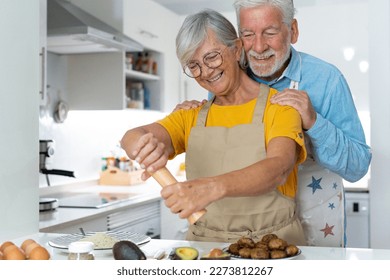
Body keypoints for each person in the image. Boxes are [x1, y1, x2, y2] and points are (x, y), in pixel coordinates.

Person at [174, 0, 372, 247]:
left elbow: (358, 167)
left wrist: (314, 122)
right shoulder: (225, 77)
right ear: (238, 40)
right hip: (257, 229)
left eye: (270, 32)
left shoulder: (326, 80)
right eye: (248, 34)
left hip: (320, 222)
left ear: (293, 31)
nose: (258, 47)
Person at [121, 9, 307, 244]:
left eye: (212, 57)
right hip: (207, 249)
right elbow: (132, 136)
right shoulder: (189, 116)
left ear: (237, 49)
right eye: (194, 65)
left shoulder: (280, 107)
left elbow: (278, 168)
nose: (206, 72)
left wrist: (209, 188)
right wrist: (142, 145)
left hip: (273, 246)